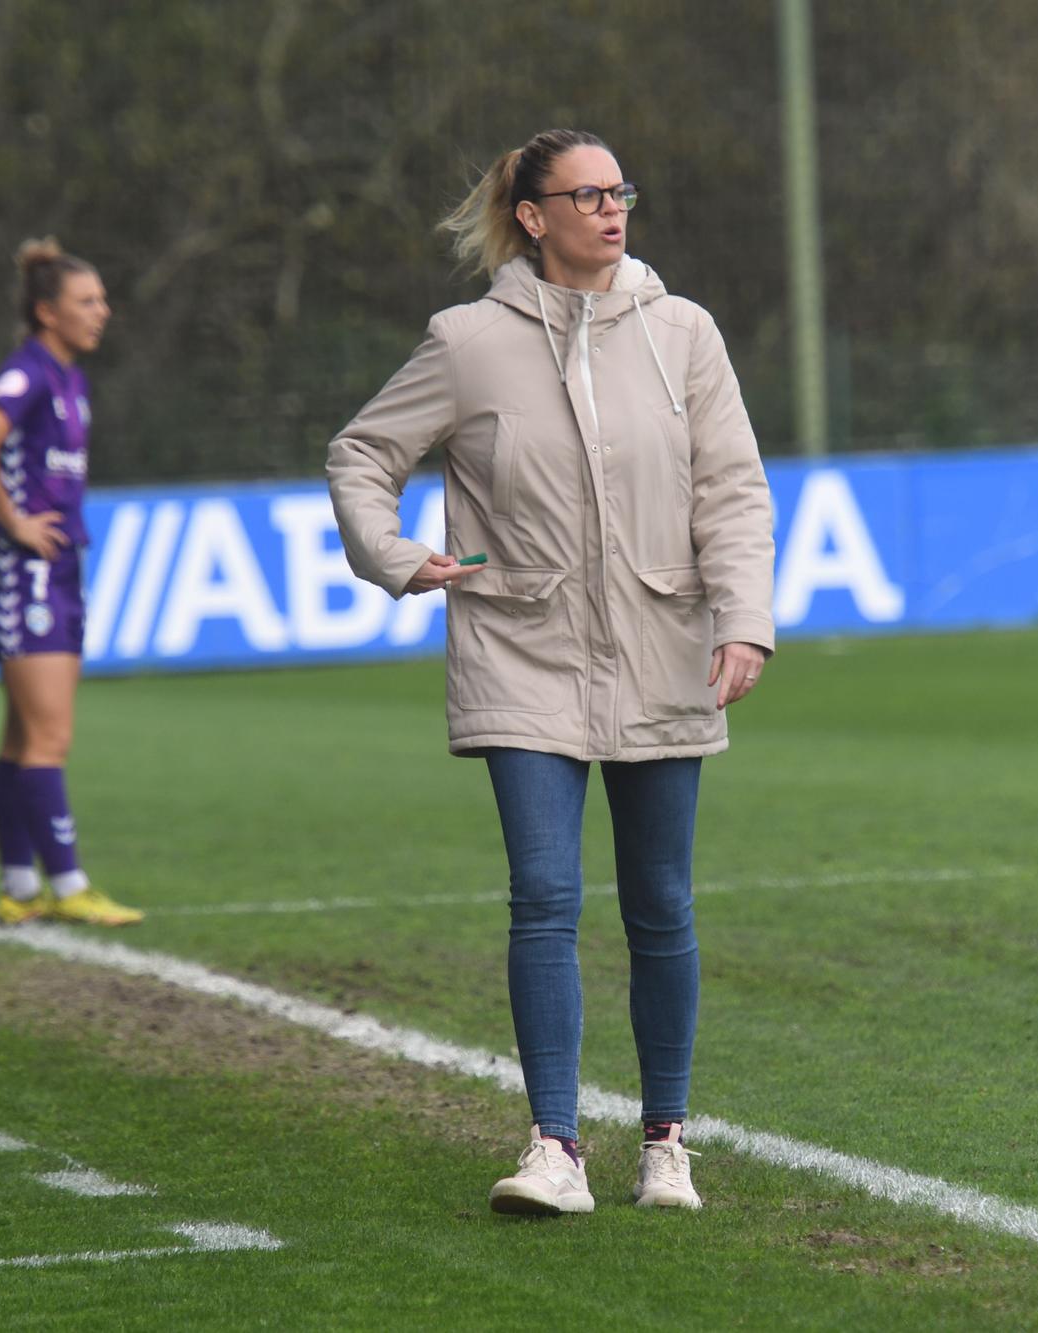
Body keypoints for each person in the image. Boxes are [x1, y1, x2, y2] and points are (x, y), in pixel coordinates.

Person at [327, 130, 775, 1215]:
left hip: (662, 646)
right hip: (516, 648)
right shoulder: (466, 339)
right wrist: (395, 558)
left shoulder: (684, 333)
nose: (611, 209)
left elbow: (731, 487)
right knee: (543, 893)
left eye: (619, 190)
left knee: (660, 902)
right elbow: (361, 454)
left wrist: (744, 620)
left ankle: (665, 1143)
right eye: (585, 194)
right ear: (531, 216)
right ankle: (555, 1149)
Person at [0, 238, 143, 928]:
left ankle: (18, 887)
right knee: (47, 738)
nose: (103, 311)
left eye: (100, 299)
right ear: (45, 313)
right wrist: (17, 525)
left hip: (54, 569)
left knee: (21, 737)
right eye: (86, 301)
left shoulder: (67, 376)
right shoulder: (28, 373)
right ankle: (67, 885)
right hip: (25, 572)